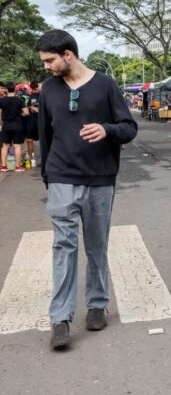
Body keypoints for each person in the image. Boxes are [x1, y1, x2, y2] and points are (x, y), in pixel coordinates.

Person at [35, 30, 138, 350]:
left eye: (50, 60)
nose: (47, 67)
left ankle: (96, 304)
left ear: (68, 54)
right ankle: (61, 318)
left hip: (100, 180)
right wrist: (47, 175)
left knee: (96, 246)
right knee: (63, 246)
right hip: (62, 177)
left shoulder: (106, 85)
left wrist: (106, 129)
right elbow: (44, 136)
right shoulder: (48, 89)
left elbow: (129, 128)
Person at [0, 84, 30, 172]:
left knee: (5, 146)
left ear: (6, 90)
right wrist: (21, 115)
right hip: (17, 124)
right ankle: (18, 167)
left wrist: (1, 124)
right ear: (15, 90)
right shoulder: (19, 100)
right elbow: (26, 112)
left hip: (6, 124)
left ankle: (4, 166)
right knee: (17, 146)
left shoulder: (1, 100)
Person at [25, 81, 40, 162]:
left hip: (41, 121)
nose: (33, 91)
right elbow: (28, 106)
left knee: (41, 140)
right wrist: (30, 108)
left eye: (34, 89)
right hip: (31, 120)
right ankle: (31, 157)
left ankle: (42, 158)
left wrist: (38, 110)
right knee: (29, 139)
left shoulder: (45, 95)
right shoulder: (32, 95)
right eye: (32, 89)